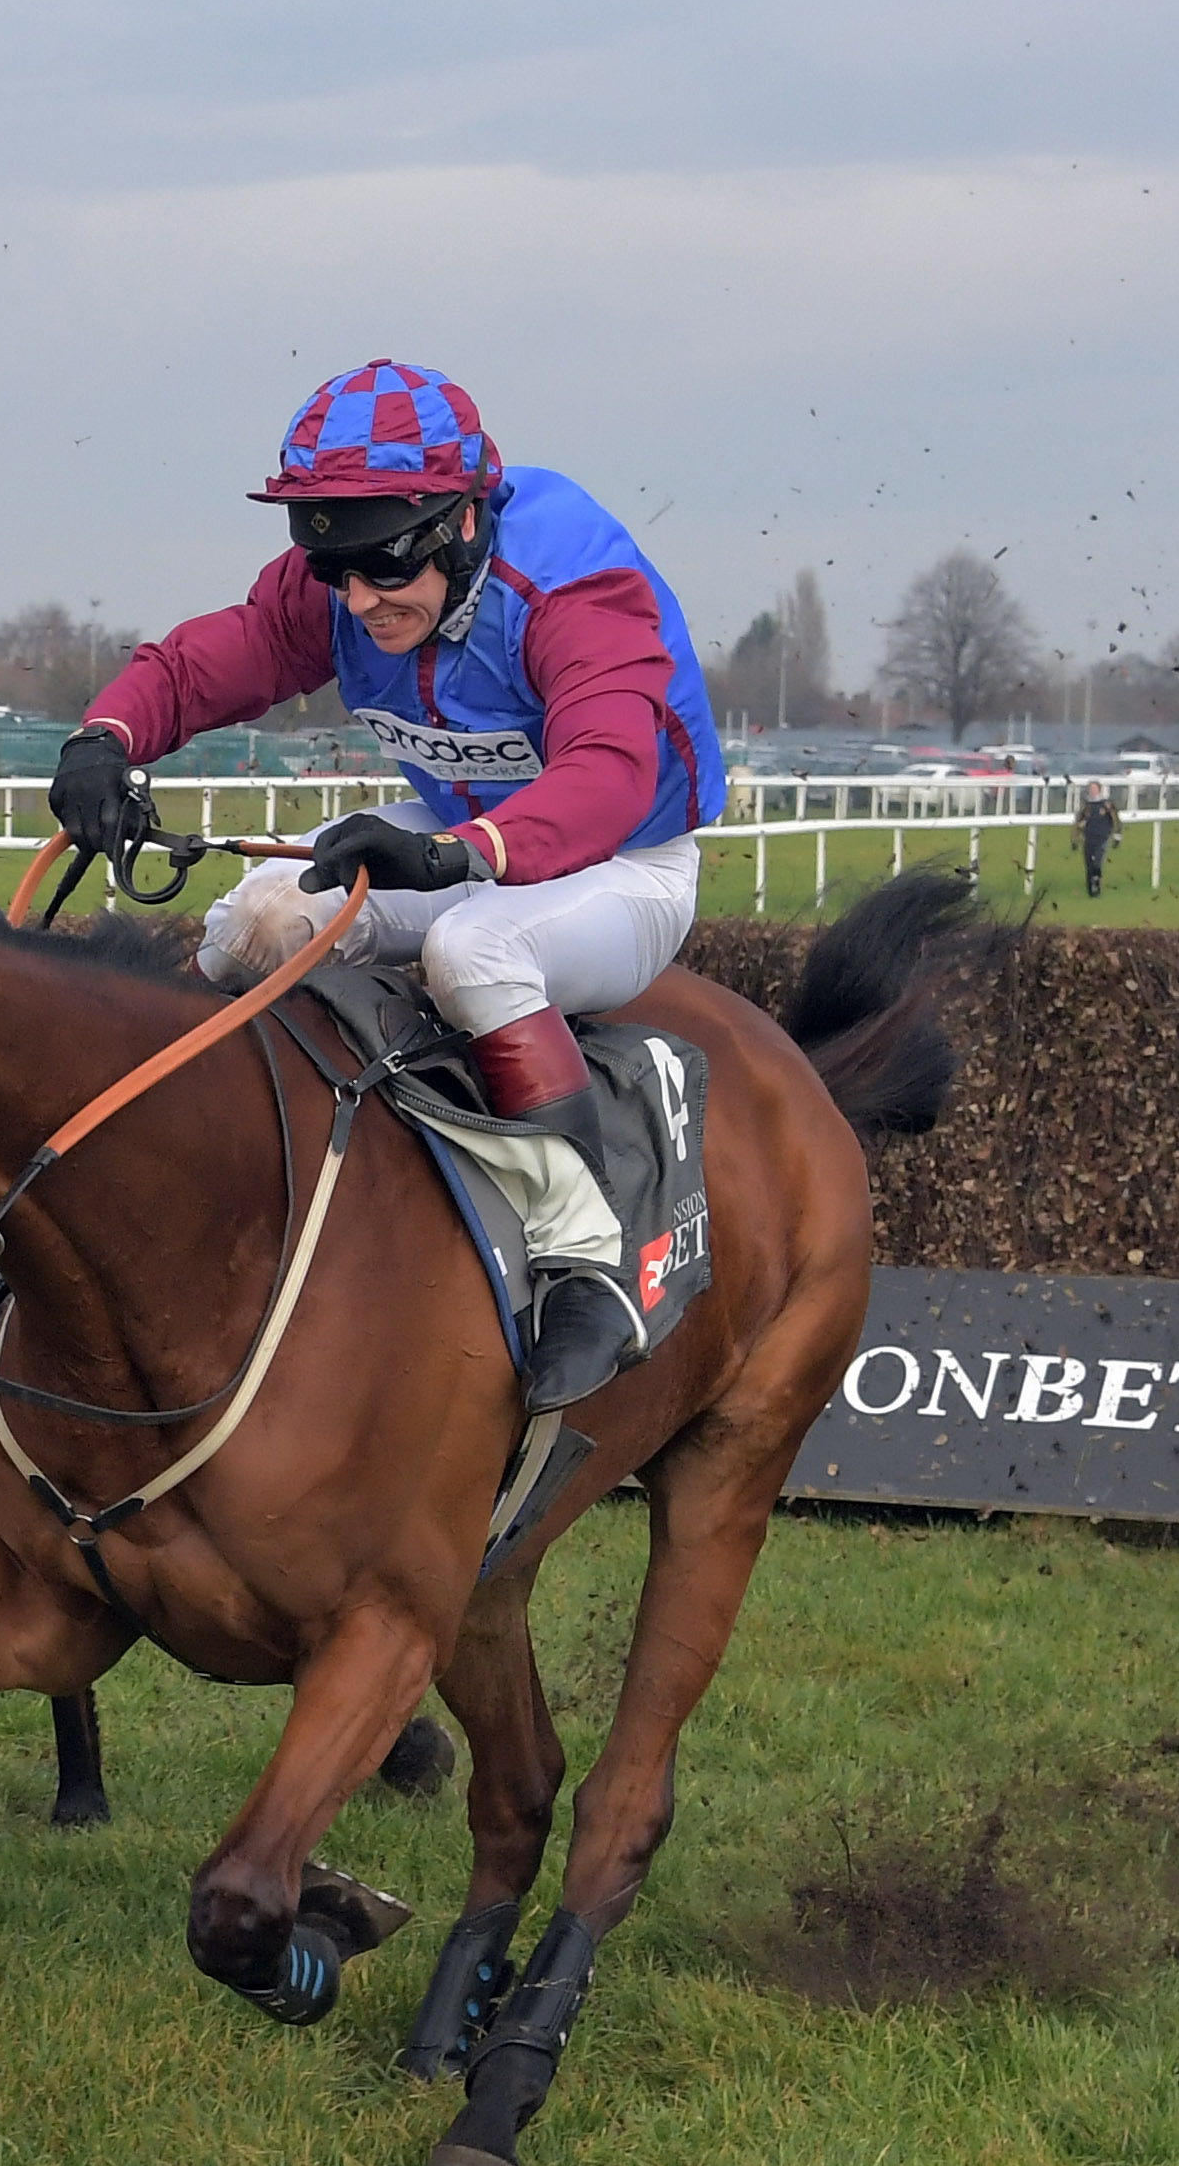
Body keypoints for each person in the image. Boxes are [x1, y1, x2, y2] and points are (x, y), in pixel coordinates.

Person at [47, 359, 725, 1413]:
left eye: (380, 571)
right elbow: (204, 662)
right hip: (467, 835)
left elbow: (605, 773)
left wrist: (466, 854)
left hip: (625, 858)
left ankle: (584, 1260)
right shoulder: (353, 582)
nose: (357, 603)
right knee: (257, 920)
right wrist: (106, 735)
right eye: (334, 573)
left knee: (473, 951)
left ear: (460, 521)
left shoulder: (574, 583)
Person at [1077, 777, 1120, 897]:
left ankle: (1096, 883)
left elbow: (1116, 819)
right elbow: (1078, 822)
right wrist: (1075, 837)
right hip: (1088, 837)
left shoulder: (1106, 804)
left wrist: (1117, 835)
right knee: (1089, 864)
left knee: (1097, 863)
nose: (1093, 791)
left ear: (1099, 790)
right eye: (1091, 789)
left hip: (1102, 837)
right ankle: (1090, 888)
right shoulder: (1086, 805)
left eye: (1095, 789)